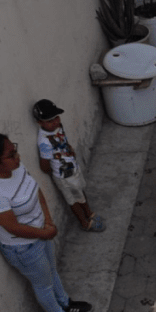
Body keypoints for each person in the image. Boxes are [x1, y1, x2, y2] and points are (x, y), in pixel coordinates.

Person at [0, 132, 92, 312]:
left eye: (15, 151)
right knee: (43, 284)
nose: (17, 157)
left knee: (52, 271)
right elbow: (12, 227)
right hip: (23, 248)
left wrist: (48, 222)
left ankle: (65, 302)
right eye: (10, 155)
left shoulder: (16, 168)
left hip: (41, 233)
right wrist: (44, 233)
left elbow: (36, 191)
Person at [33, 99, 106, 233]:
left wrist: (69, 150)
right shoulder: (44, 142)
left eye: (56, 118)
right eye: (50, 121)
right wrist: (57, 171)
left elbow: (63, 141)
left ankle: (89, 213)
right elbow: (44, 166)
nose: (55, 122)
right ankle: (85, 223)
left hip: (73, 168)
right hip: (63, 177)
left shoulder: (58, 126)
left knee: (80, 191)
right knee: (73, 200)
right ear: (40, 123)